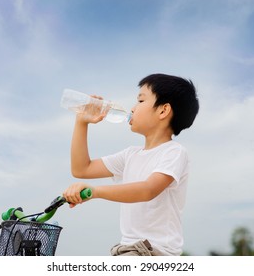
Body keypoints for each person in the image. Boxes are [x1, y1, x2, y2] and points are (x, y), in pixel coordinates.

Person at [62, 73, 199, 256]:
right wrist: (81, 122)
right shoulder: (130, 155)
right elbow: (81, 169)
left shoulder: (174, 152)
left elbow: (148, 190)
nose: (133, 108)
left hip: (154, 252)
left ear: (163, 110)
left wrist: (95, 192)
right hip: (127, 249)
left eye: (141, 101)